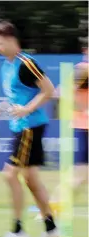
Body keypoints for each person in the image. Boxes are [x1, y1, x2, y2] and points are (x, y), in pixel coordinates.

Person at [0, 20, 59, 237]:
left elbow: (49, 90)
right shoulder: (5, 65)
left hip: (30, 126)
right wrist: (0, 108)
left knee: (9, 175)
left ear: (10, 40)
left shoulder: (26, 63)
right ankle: (51, 228)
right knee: (31, 180)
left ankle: (17, 229)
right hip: (20, 126)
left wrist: (27, 109)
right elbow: (15, 97)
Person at [36, 39, 88, 219]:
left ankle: (51, 208)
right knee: (81, 175)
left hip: (83, 125)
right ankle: (50, 210)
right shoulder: (84, 69)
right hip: (86, 127)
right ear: (85, 50)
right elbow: (59, 93)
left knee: (81, 175)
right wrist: (80, 107)